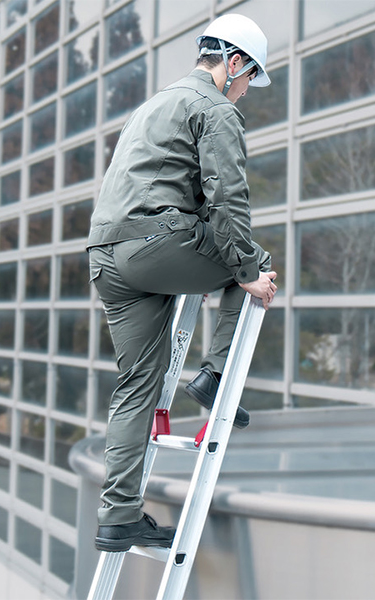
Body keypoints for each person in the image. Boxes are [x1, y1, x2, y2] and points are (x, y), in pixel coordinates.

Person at [87, 14, 278, 553]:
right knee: (253, 259)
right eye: (247, 81)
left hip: (108, 255)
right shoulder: (214, 108)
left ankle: (119, 516)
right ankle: (217, 377)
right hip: (153, 245)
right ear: (233, 62)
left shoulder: (153, 104)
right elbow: (227, 199)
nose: (244, 94)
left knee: (137, 387)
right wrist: (248, 276)